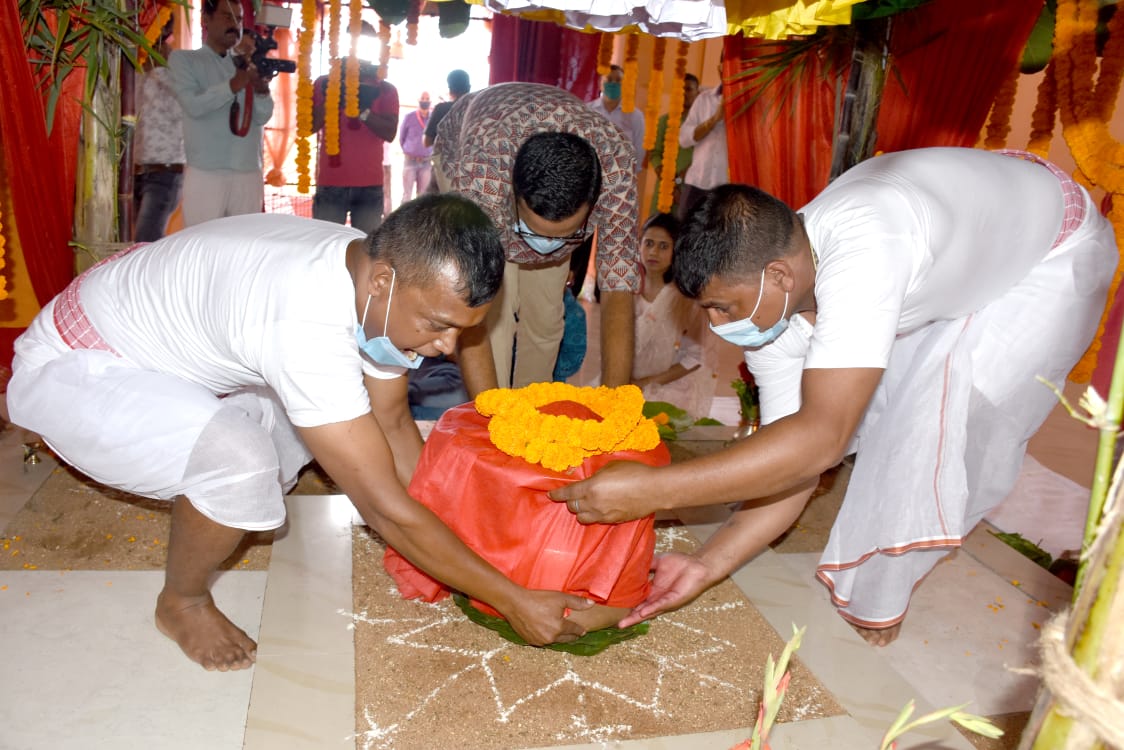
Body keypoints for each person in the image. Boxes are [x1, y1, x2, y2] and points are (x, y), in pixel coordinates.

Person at [550, 147, 1118, 646]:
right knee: (875, 412)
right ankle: (880, 580)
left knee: (951, 421)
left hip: (1048, 251)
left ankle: (889, 583)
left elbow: (821, 443)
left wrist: (652, 490)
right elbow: (789, 459)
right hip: (957, 246)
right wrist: (705, 564)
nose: (719, 325)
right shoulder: (774, 308)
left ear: (778, 276)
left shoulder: (866, 251)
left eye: (723, 306)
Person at [7, 194, 593, 672]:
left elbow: (389, 421)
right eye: (440, 326)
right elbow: (384, 510)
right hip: (81, 364)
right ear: (385, 280)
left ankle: (163, 450)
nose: (446, 348)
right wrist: (510, 597)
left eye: (461, 331)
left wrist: (467, 545)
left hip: (163, 344)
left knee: (324, 431)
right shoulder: (306, 320)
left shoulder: (371, 280)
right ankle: (180, 601)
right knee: (241, 463)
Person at [432, 82, 641, 395]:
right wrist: (491, 422)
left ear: (594, 201)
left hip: (532, 156)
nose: (546, 248)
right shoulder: (482, 176)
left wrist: (618, 408)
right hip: (463, 152)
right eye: (534, 232)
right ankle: (499, 416)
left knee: (545, 319)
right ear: (511, 195)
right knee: (497, 316)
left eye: (563, 238)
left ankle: (532, 408)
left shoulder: (616, 166)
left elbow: (619, 286)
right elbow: (470, 296)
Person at [168, 0, 274, 227]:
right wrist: (235, 83)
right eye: (227, 17)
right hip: (206, 174)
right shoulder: (184, 60)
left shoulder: (249, 63)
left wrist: (262, 90)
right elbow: (193, 105)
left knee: (244, 247)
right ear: (205, 19)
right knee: (201, 247)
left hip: (248, 173)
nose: (235, 25)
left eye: (239, 19)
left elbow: (263, 116)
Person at [631, 213, 721, 420]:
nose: (653, 252)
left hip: (668, 386)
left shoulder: (686, 298)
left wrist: (647, 383)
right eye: (649, 243)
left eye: (663, 246)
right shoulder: (627, 290)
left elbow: (694, 358)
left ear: (676, 252)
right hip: (628, 379)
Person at [312, 59, 398, 233]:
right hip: (331, 183)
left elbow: (390, 133)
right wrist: (332, 98)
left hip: (369, 186)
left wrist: (363, 110)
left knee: (367, 249)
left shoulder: (384, 88)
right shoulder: (324, 83)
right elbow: (309, 126)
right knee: (325, 244)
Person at [132, 18, 185, 242]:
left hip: (164, 172)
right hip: (133, 172)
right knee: (132, 243)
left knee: (145, 242)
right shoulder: (132, 66)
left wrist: (161, 68)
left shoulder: (179, 68)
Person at [677, 65, 727, 221]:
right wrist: (714, 120)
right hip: (697, 182)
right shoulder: (704, 99)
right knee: (685, 232)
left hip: (727, 188)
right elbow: (684, 139)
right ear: (720, 68)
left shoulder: (749, 101)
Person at [646, 73, 700, 217]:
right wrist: (671, 185)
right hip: (664, 188)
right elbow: (654, 153)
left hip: (690, 189)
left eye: (689, 89)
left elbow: (703, 157)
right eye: (680, 90)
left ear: (697, 93)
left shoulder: (702, 126)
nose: (684, 94)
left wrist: (680, 183)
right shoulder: (665, 121)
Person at [588, 64, 646, 172]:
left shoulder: (636, 116)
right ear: (600, 84)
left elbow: (639, 148)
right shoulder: (588, 111)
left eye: (618, 80)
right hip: (591, 173)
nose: (613, 84)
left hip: (622, 175)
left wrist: (632, 173)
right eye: (609, 79)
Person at [399, 92, 433, 203]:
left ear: (430, 101)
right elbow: (401, 137)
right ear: (418, 100)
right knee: (407, 196)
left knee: (423, 197)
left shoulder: (433, 118)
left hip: (426, 163)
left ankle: (419, 220)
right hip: (410, 161)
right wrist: (408, 150)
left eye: (427, 98)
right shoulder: (409, 117)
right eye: (423, 98)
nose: (425, 101)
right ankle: (403, 220)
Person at [423, 69, 469, 148]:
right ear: (469, 87)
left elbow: (426, 142)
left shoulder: (441, 109)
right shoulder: (478, 109)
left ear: (450, 89)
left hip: (447, 159)